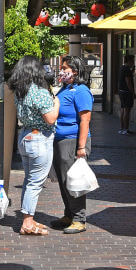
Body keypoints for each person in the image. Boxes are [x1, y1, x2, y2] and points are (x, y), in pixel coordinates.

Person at [7, 56, 59, 236]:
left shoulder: (20, 92)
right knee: (35, 183)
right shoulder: (39, 92)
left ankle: (28, 218)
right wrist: (56, 103)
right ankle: (27, 222)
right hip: (40, 139)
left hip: (26, 136)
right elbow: (51, 118)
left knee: (29, 181)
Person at [49, 55, 93, 234]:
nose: (61, 70)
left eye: (65, 67)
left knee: (74, 181)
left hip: (73, 141)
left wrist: (81, 147)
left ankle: (79, 219)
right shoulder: (65, 88)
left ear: (75, 71)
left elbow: (85, 120)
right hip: (60, 141)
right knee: (63, 181)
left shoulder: (81, 91)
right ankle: (69, 214)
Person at [117, 54, 136, 134]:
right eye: (132, 61)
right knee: (127, 111)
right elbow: (128, 81)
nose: (133, 63)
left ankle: (122, 128)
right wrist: (133, 92)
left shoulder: (122, 68)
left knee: (123, 110)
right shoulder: (127, 69)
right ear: (129, 61)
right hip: (126, 92)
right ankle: (126, 129)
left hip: (121, 91)